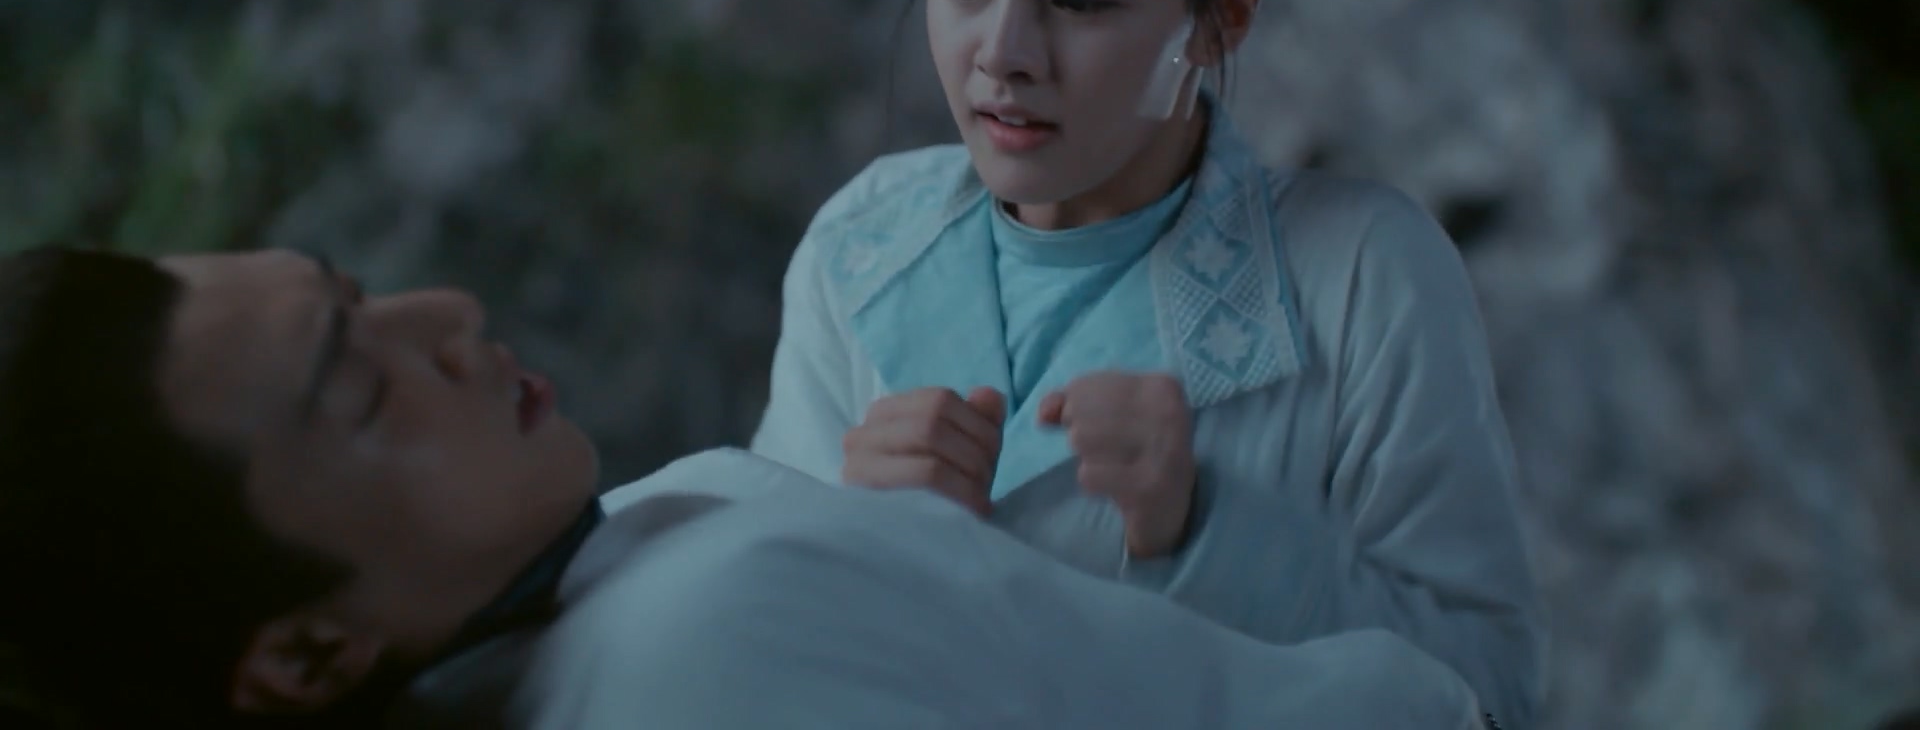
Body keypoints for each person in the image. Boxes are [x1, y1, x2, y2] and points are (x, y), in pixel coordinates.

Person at [749, 0, 1544, 727]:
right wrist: (849, 539)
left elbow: (1487, 695)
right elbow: (751, 655)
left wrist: (1208, 528)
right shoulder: (864, 240)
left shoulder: (1364, 274)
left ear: (1220, 21)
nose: (1003, 54)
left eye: (1077, 1)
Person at [0, 245, 1492, 729]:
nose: (443, 316)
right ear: (308, 653)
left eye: (356, 289)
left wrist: (909, 561)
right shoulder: (706, 657)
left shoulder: (632, 590)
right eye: (360, 384)